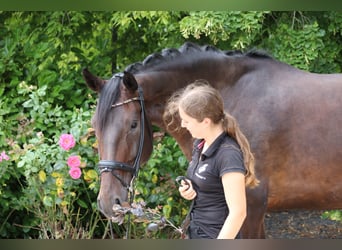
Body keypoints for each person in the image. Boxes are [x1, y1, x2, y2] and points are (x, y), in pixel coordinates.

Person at [163, 80, 259, 239]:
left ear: (206, 121)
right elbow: (209, 182)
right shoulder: (200, 143)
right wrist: (190, 190)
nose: (183, 125)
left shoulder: (228, 155)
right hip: (196, 232)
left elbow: (238, 213)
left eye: (187, 121)